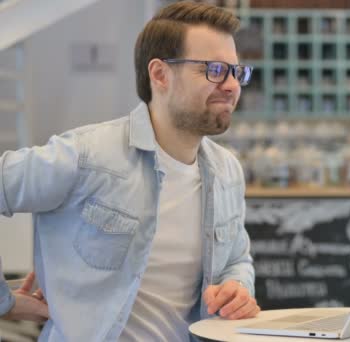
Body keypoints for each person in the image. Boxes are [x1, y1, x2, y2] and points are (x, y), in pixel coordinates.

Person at [0, 1, 260, 340]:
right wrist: (4, 303)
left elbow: (237, 258)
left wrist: (237, 286)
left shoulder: (227, 172)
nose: (231, 85)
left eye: (236, 72)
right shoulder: (87, 155)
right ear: (159, 74)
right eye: (214, 70)